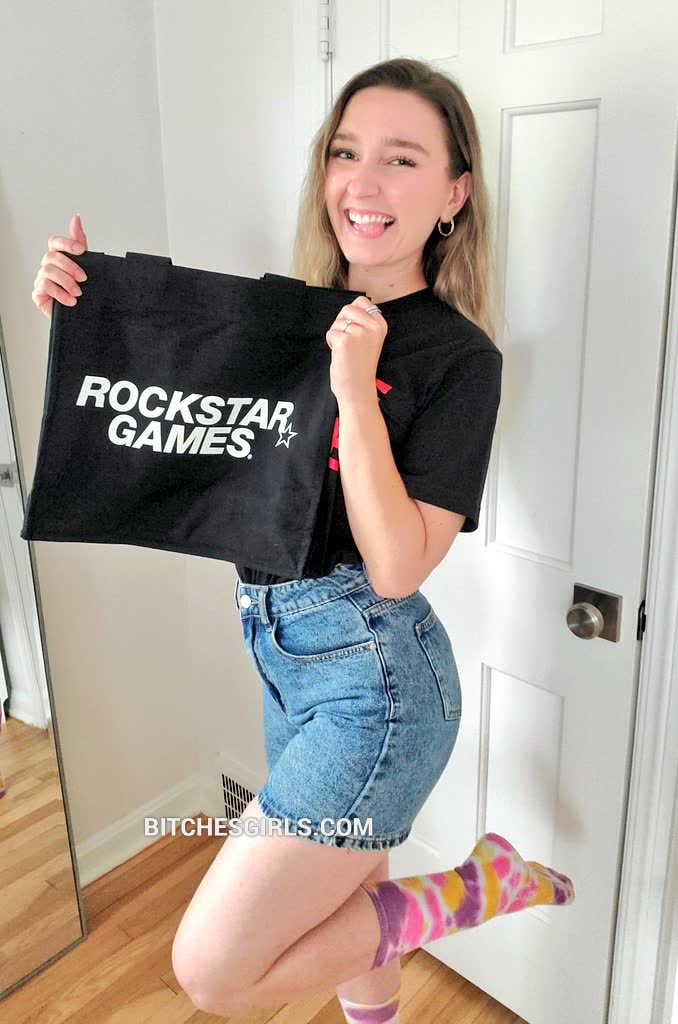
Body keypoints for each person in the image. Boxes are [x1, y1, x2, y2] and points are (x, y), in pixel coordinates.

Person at [31, 57, 574, 1022]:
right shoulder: (283, 322)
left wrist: (356, 389)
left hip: (378, 678)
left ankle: (473, 891)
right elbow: (175, 421)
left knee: (213, 969)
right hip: (281, 654)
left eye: (401, 159)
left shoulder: (461, 358)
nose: (363, 182)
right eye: (345, 152)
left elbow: (399, 566)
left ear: (454, 194)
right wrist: (91, 315)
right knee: (351, 894)